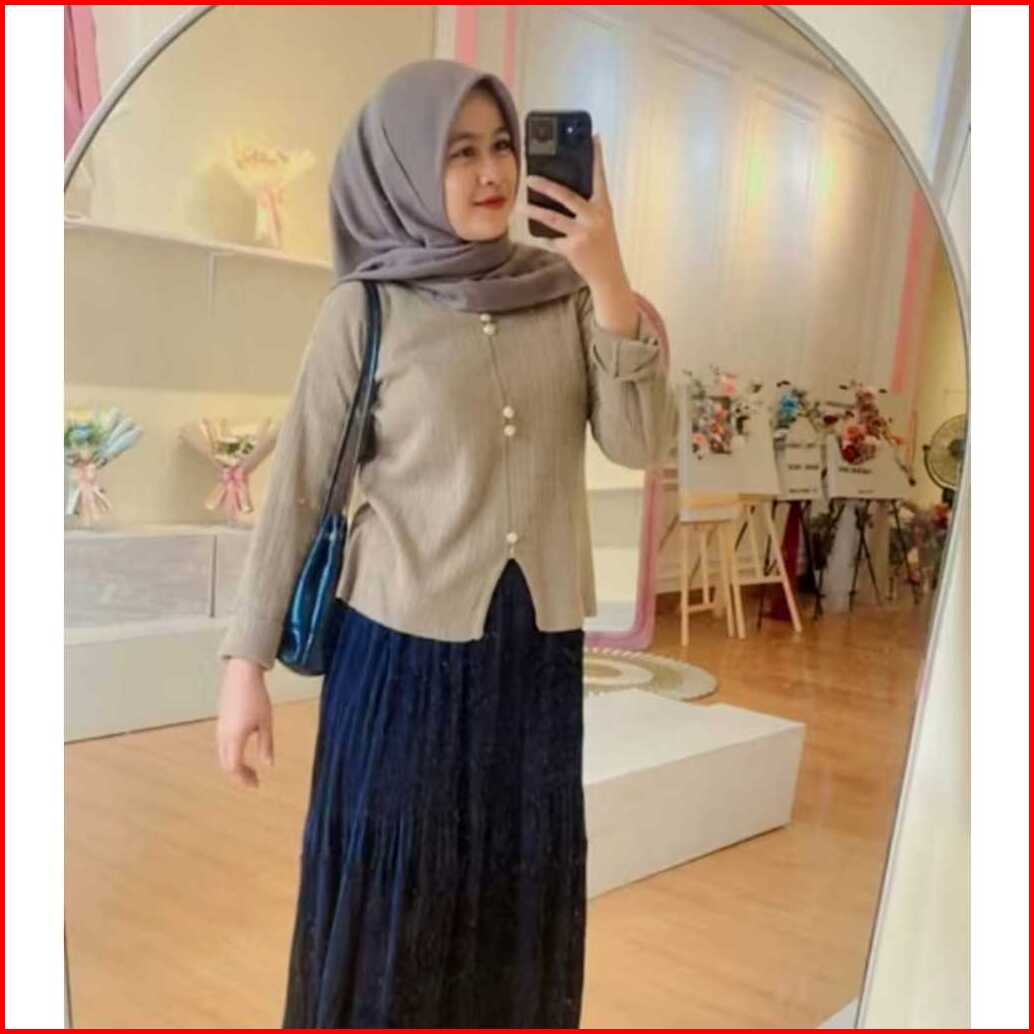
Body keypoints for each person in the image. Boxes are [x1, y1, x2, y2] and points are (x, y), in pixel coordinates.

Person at [215, 59, 676, 1029]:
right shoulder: (366, 307)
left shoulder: (566, 294)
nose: (492, 171)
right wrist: (243, 666)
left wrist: (609, 278)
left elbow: (639, 442)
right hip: (398, 655)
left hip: (532, 654)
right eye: (459, 152)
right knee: (399, 899)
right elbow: (297, 487)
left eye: (501, 145)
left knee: (514, 889)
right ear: (405, 166)